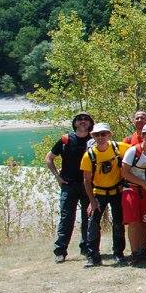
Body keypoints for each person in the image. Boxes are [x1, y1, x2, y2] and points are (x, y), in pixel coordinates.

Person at [48, 112, 94, 263]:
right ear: (75, 123)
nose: (83, 121)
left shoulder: (94, 140)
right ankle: (60, 251)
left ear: (90, 124)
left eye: (86, 119)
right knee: (67, 218)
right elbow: (49, 158)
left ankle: (87, 248)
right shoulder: (65, 139)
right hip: (69, 185)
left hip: (88, 185)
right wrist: (57, 177)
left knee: (89, 218)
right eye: (80, 119)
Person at [82, 123, 129, 266]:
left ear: (109, 134)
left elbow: (138, 151)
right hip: (98, 193)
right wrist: (92, 200)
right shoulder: (88, 155)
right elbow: (87, 180)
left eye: (103, 134)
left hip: (116, 192)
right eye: (97, 135)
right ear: (92, 136)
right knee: (93, 224)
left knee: (118, 223)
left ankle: (118, 253)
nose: (100, 137)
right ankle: (93, 256)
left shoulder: (119, 147)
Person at [120, 122, 146, 265]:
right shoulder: (133, 151)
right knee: (134, 221)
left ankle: (143, 251)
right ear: (142, 136)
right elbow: (124, 173)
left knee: (145, 221)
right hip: (131, 190)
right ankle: (135, 253)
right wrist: (142, 183)